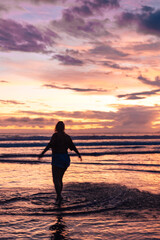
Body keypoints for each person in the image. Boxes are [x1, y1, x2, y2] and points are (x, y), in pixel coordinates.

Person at [38, 121, 82, 204]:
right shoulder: (67, 137)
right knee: (60, 178)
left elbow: (49, 145)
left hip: (57, 158)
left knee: (55, 179)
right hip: (65, 158)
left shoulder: (55, 136)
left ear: (56, 127)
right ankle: (59, 195)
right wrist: (79, 155)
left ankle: (58, 196)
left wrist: (42, 154)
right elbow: (73, 146)